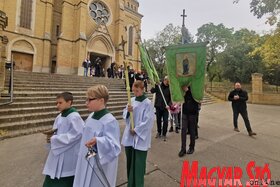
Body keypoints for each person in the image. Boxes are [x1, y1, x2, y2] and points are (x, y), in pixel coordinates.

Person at [73, 85, 121, 187]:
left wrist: (98, 141)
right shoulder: (91, 117)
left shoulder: (109, 121)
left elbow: (114, 147)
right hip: (86, 160)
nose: (86, 103)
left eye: (90, 99)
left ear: (101, 100)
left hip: (98, 166)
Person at [42, 92, 84, 187]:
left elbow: (77, 134)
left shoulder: (74, 116)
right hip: (57, 152)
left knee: (65, 180)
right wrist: (51, 135)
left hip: (68, 154)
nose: (57, 105)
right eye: (56, 103)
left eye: (60, 103)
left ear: (69, 102)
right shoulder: (60, 116)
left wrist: (55, 139)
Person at [121, 80, 154, 187]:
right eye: (133, 91)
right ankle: (130, 183)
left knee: (139, 164)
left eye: (137, 91)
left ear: (143, 89)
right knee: (130, 162)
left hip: (140, 137)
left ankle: (138, 184)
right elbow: (125, 114)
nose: (135, 93)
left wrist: (136, 130)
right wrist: (127, 111)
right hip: (130, 137)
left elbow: (148, 121)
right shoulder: (131, 100)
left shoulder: (148, 103)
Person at [178, 86, 198, 156]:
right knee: (183, 130)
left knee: (192, 130)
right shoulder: (184, 83)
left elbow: (198, 96)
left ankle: (191, 147)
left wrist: (188, 91)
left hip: (193, 111)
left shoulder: (196, 84)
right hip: (185, 111)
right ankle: (183, 149)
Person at [150, 76, 171, 141]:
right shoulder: (158, 86)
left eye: (168, 82)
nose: (167, 82)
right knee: (158, 120)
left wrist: (169, 105)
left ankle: (164, 134)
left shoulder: (170, 88)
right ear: (164, 80)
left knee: (166, 121)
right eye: (166, 81)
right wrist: (154, 85)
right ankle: (159, 132)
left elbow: (171, 99)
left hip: (165, 108)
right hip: (158, 106)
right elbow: (152, 91)